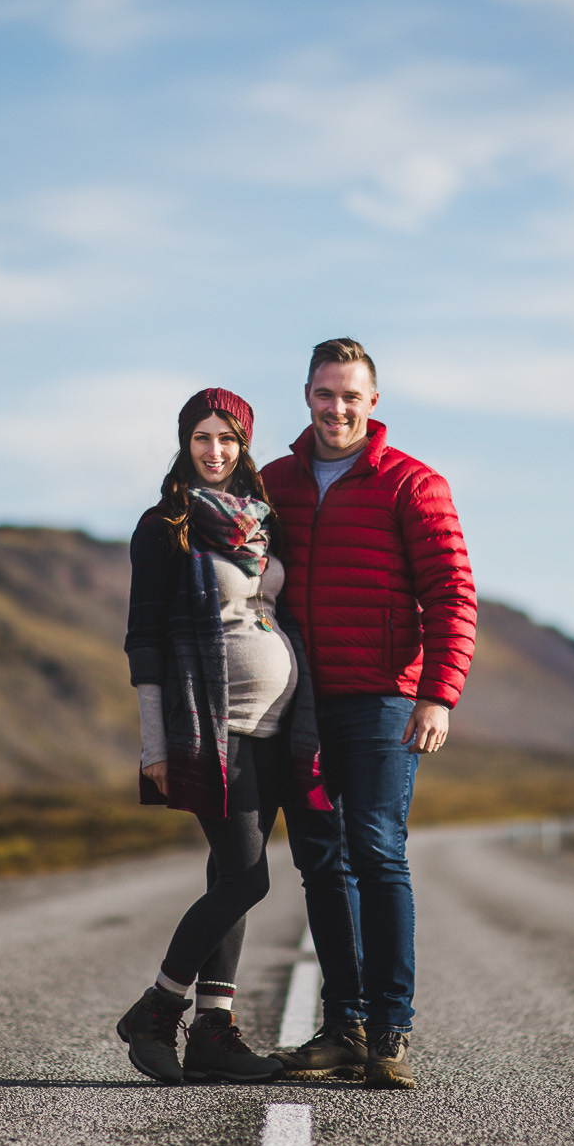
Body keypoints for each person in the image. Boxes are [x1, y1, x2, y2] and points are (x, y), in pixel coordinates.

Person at [260, 339, 477, 1090]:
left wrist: (438, 692)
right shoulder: (276, 482)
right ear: (308, 396)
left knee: (378, 853)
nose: (337, 407)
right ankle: (343, 1026)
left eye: (351, 395)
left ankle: (390, 1032)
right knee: (321, 861)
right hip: (302, 704)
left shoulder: (412, 484)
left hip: (385, 701)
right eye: (325, 393)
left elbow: (451, 592)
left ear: (373, 401)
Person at [115, 387, 327, 1085]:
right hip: (210, 723)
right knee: (247, 877)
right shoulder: (166, 526)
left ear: (244, 444)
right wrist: (153, 748)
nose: (214, 450)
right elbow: (144, 642)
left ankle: (213, 1030)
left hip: (271, 726)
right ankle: (157, 1009)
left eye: (227, 438)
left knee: (227, 875)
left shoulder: (260, 523)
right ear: (186, 443)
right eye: (202, 437)